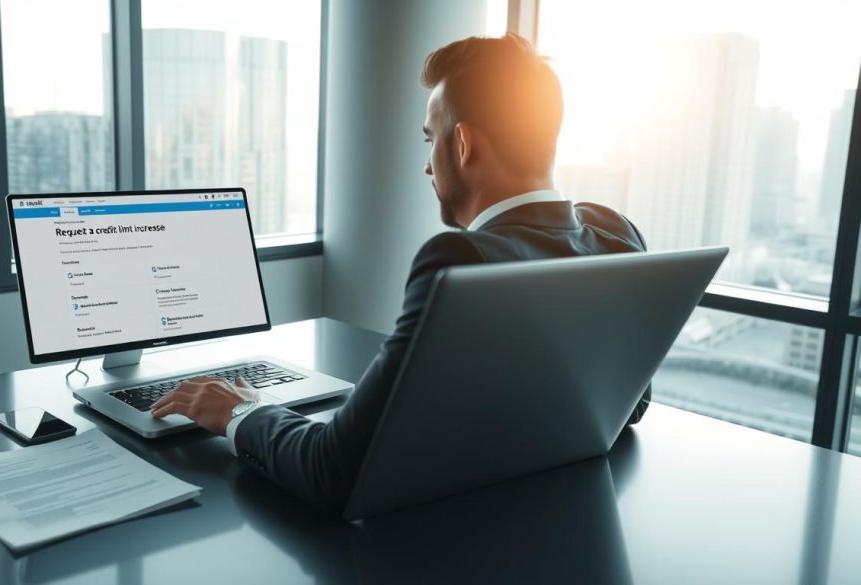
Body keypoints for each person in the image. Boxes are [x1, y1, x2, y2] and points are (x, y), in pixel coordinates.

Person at [150, 33, 651, 514]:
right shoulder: (613, 232)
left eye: (430, 139)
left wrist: (240, 412)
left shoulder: (460, 260)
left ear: (463, 144)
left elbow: (331, 471)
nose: (427, 167)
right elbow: (629, 406)